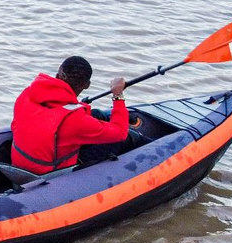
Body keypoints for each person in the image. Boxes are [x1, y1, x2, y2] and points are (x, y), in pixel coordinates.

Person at [10, 56, 144, 175]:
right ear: (86, 85)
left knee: (96, 114)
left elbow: (54, 112)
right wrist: (118, 95)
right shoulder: (74, 120)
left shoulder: (27, 94)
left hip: (20, 164)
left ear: (58, 73)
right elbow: (120, 133)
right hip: (49, 173)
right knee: (126, 137)